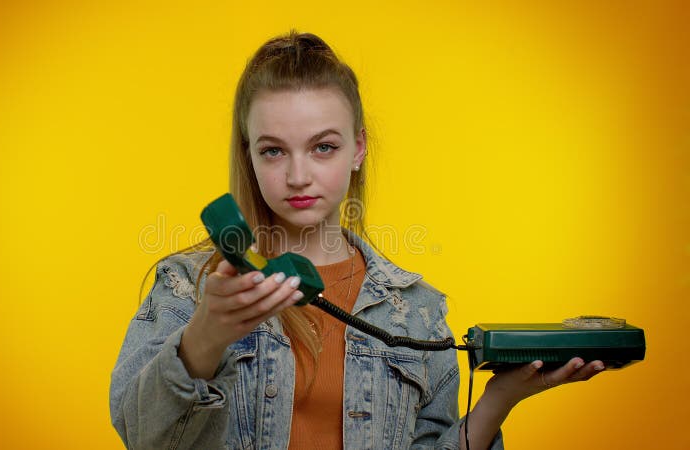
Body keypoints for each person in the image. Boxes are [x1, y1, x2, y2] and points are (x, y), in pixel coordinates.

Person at [109, 31, 604, 450]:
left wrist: (500, 399)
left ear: (358, 149)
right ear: (250, 156)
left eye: (323, 146)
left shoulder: (415, 310)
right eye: (274, 150)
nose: (298, 175)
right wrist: (205, 337)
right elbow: (138, 434)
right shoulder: (188, 286)